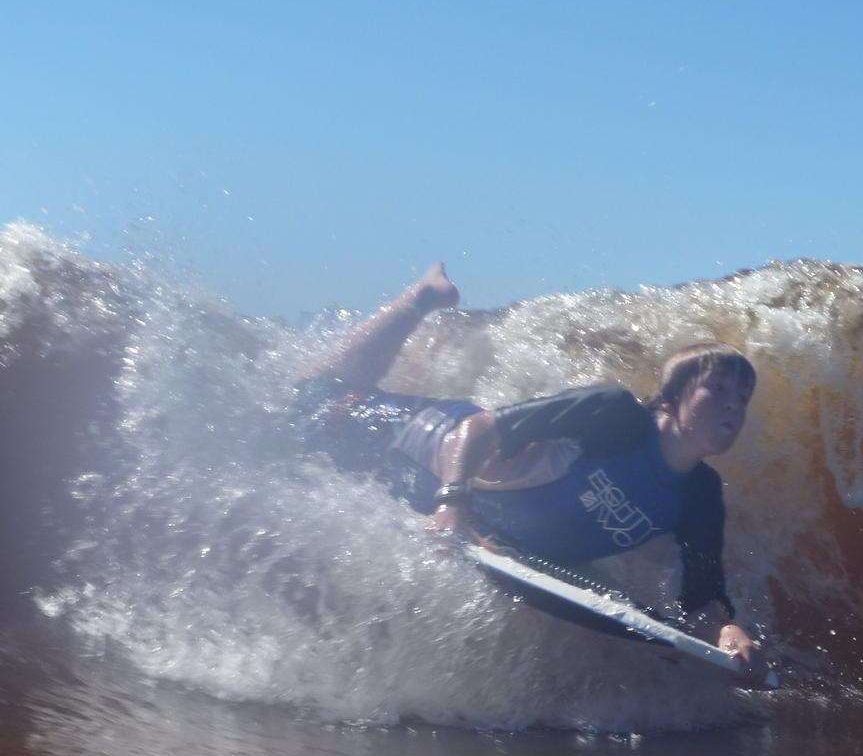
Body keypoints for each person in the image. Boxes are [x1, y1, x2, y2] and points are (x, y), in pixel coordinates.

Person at [296, 262, 762, 671]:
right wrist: (452, 505)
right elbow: (479, 429)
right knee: (308, 400)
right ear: (670, 397)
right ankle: (421, 299)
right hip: (422, 444)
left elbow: (702, 598)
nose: (732, 408)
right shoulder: (613, 415)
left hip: (485, 523)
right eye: (717, 390)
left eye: (741, 399)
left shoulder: (699, 495)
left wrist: (726, 634)